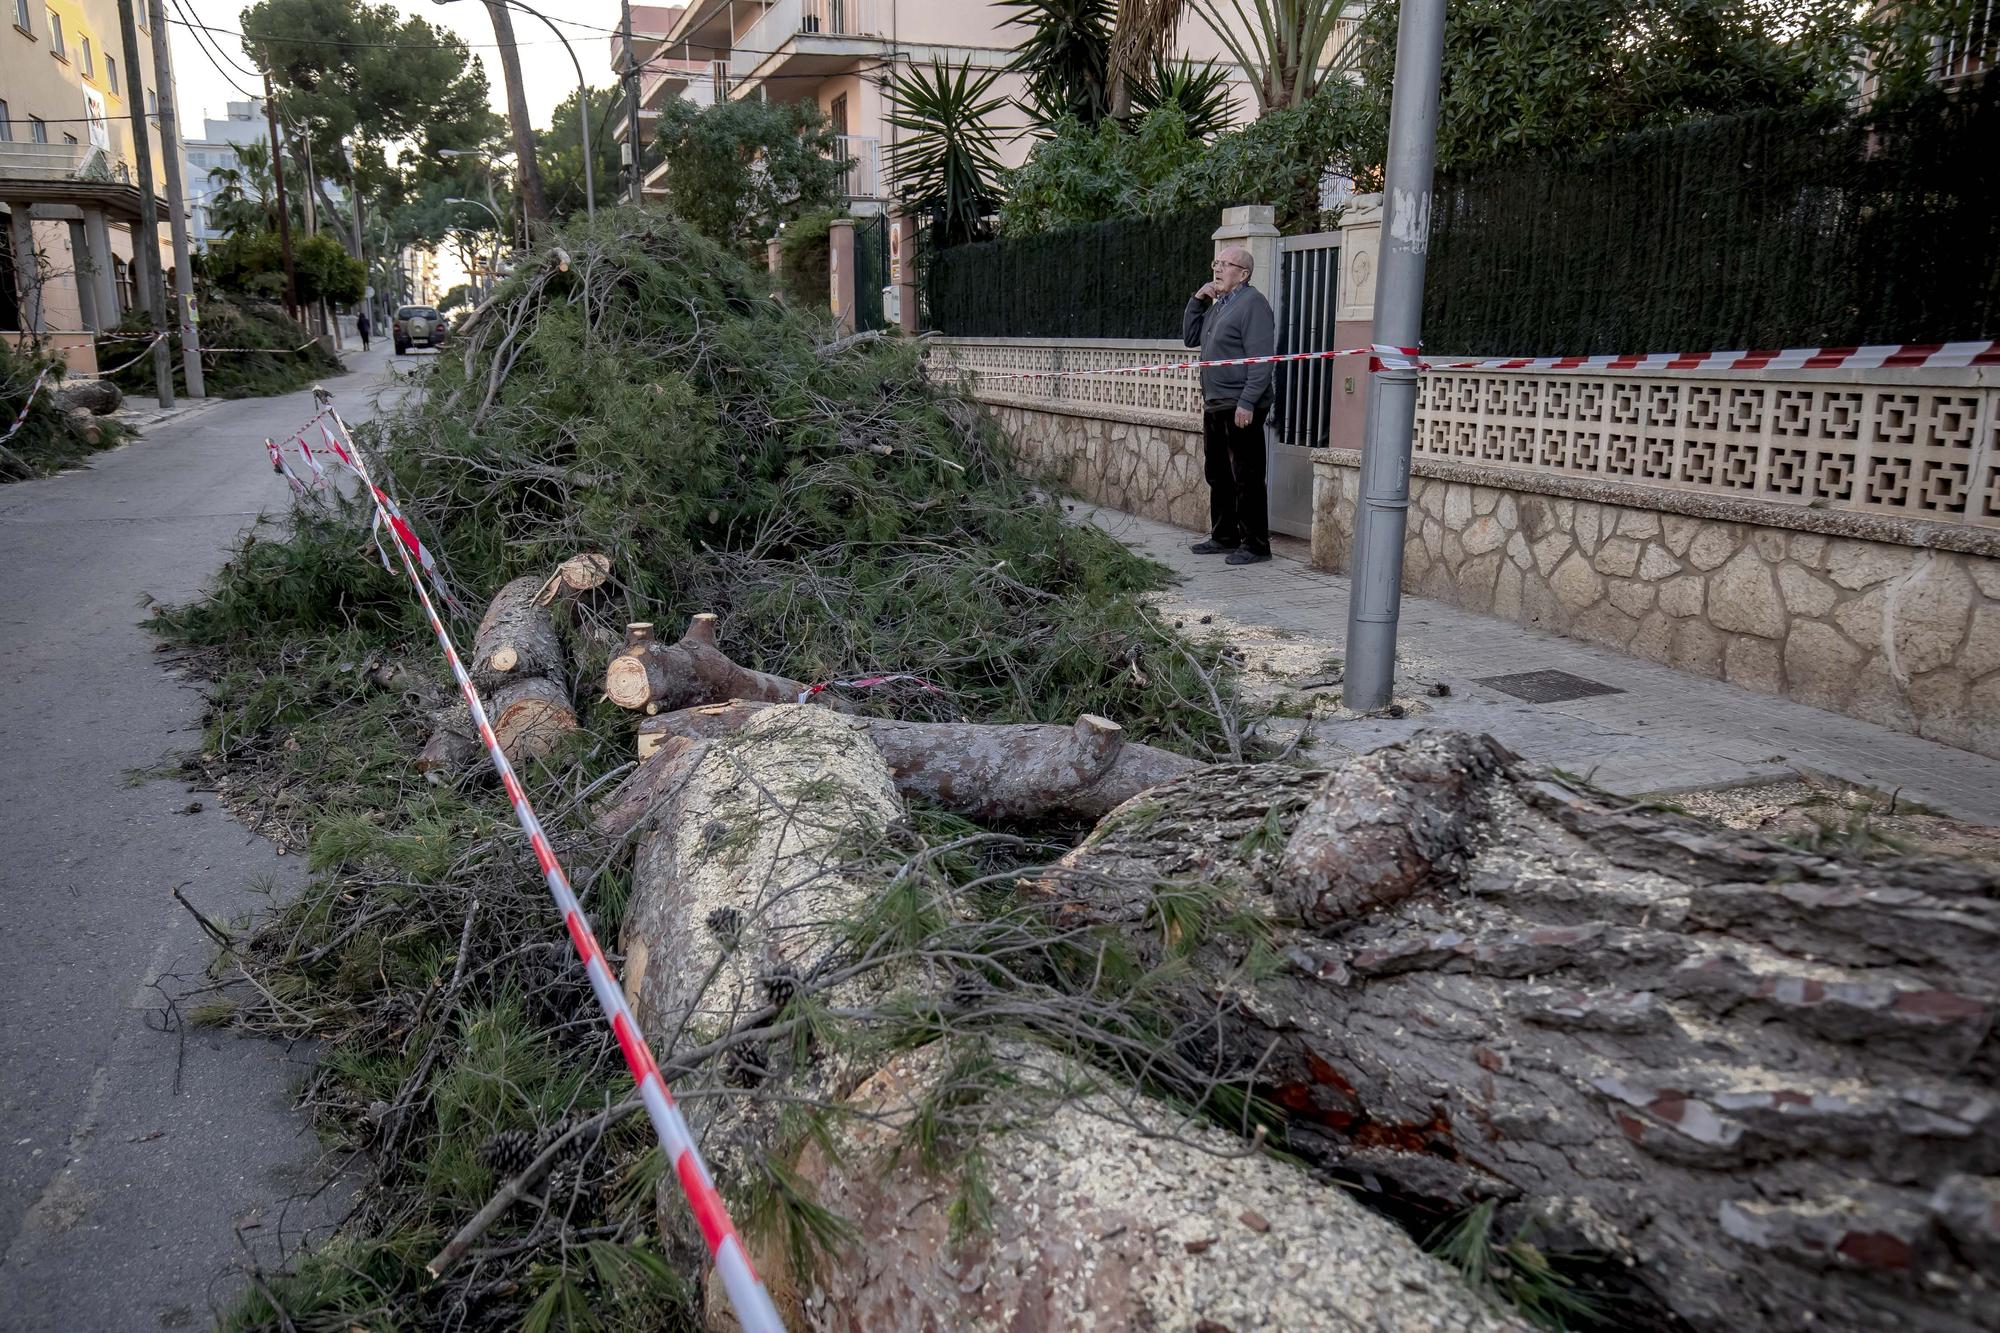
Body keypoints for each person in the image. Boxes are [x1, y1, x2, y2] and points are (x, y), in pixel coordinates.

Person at [1182, 246, 1275, 565]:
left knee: (1245, 476)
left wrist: (1247, 402)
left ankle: (1256, 544)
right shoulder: (1220, 305)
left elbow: (1261, 360)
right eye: (1216, 263)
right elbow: (1190, 337)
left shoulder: (1253, 305)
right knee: (1218, 472)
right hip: (1216, 402)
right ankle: (1224, 536)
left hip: (1240, 404)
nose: (1217, 270)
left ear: (1244, 274)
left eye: (1225, 265)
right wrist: (1197, 300)